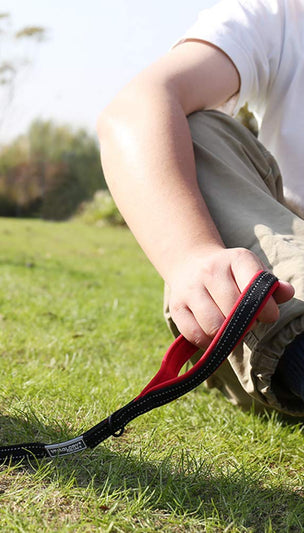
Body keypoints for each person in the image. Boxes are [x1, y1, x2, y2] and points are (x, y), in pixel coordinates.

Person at [96, 0, 304, 416]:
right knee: (191, 131)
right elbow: (137, 106)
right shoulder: (280, 16)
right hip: (291, 300)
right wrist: (190, 253)